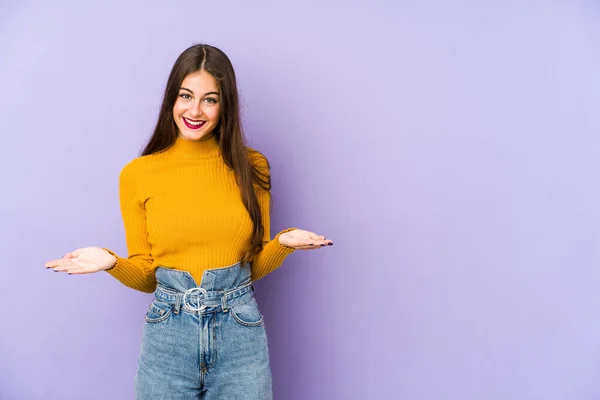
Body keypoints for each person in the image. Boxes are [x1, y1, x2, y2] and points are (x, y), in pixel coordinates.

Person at [44, 43, 333, 399]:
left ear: (224, 105)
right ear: (172, 99)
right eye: (186, 96)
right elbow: (147, 276)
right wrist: (112, 263)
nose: (195, 110)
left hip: (240, 332)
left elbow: (252, 264)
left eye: (209, 99)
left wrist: (283, 244)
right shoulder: (138, 174)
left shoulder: (252, 167)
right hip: (168, 337)